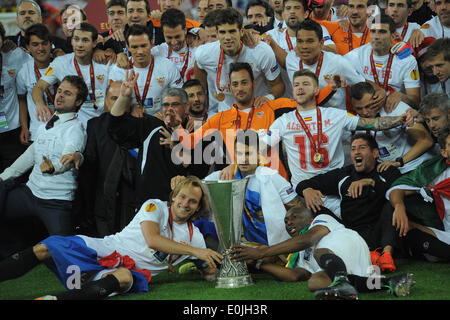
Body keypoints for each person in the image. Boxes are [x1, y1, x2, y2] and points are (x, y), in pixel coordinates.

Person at [0, 176, 223, 300]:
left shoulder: (195, 239)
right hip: (103, 249)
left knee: (125, 276)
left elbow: (209, 268)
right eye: (182, 197)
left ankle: (54, 300)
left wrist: (213, 271)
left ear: (197, 208)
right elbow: (153, 239)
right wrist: (195, 252)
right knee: (46, 247)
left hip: (118, 272)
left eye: (192, 201)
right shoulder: (155, 206)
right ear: (174, 197)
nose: (185, 204)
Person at [258, 69, 408, 216]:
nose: (300, 88)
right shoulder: (282, 122)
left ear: (316, 90)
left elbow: (372, 123)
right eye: (296, 85)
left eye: (305, 84)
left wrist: (402, 119)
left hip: (336, 187)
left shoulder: (335, 115)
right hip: (304, 192)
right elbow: (259, 148)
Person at [230, 206, 415, 300]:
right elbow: (296, 275)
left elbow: (307, 240)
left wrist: (261, 252)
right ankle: (389, 283)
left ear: (309, 218)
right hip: (346, 266)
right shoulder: (299, 255)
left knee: (320, 251)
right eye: (286, 221)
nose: (289, 223)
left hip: (350, 243)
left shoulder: (320, 220)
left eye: (295, 217)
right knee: (315, 282)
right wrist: (259, 264)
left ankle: (341, 281)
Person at [296, 133, 403, 272]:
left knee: (392, 205)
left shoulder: (387, 171)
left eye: (362, 148)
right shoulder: (344, 174)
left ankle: (386, 255)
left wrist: (371, 183)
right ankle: (367, 254)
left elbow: (399, 192)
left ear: (375, 153)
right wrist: (307, 190)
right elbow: (303, 184)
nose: (356, 152)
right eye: (353, 149)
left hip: (378, 232)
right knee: (316, 208)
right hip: (350, 232)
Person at [0, 75, 88, 237]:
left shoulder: (75, 129)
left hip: (56, 202)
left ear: (78, 102)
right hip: (29, 193)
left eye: (68, 93)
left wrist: (54, 167)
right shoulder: (45, 125)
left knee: (64, 252)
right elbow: (29, 157)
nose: (60, 95)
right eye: (59, 91)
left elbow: (69, 156)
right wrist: (3, 177)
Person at [108, 70, 198, 210]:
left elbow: (196, 169)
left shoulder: (196, 131)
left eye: (175, 105)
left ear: (186, 107)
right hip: (148, 205)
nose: (169, 109)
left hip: (182, 208)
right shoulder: (150, 126)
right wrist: (123, 97)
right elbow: (116, 129)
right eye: (166, 105)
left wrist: (175, 146)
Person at [74, 80, 139, 237]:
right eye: (113, 98)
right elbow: (90, 161)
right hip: (102, 196)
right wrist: (78, 157)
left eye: (122, 98)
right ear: (106, 101)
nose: (118, 102)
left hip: (130, 195)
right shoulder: (94, 125)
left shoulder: (139, 125)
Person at [193, 7, 285, 115]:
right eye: (223, 32)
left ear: (241, 31)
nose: (227, 37)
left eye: (232, 31)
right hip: (226, 113)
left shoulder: (261, 51)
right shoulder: (204, 53)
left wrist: (268, 97)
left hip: (257, 111)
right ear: (217, 33)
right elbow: (198, 64)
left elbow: (279, 85)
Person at [269, 19, 368, 108]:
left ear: (321, 44)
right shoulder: (292, 61)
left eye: (309, 41)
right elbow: (307, 98)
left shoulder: (338, 62)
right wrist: (331, 87)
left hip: (334, 121)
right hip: (306, 120)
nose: (304, 46)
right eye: (300, 41)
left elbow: (361, 84)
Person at [386, 127, 450, 262]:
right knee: (395, 212)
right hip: (443, 232)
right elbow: (397, 189)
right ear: (444, 152)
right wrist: (399, 206)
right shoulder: (434, 171)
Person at [32, 22, 111, 128]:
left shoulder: (106, 63)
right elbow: (39, 87)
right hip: (73, 126)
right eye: (76, 39)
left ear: (94, 43)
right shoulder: (61, 63)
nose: (80, 44)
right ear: (72, 41)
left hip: (102, 125)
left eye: (85, 40)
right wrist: (39, 104)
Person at [350, 82, 434, 174]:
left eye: (368, 106)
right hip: (388, 170)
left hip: (415, 165)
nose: (365, 112)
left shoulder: (396, 109)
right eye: (359, 108)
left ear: (376, 98)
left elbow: (426, 141)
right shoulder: (357, 121)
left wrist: (399, 162)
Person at [344, 13, 421, 111]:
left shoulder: (407, 60)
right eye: (373, 31)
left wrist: (401, 96)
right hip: (364, 112)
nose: (376, 36)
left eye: (382, 32)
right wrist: (375, 87)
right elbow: (336, 70)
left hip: (393, 111)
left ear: (393, 36)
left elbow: (416, 101)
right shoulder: (355, 56)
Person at [108, 24, 182, 116]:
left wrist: (165, 113)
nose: (140, 51)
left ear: (151, 43)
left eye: (143, 46)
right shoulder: (118, 70)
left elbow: (180, 98)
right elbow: (110, 106)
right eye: (135, 47)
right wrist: (130, 108)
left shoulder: (168, 66)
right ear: (128, 46)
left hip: (160, 122)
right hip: (128, 123)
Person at [16, 23, 56, 145]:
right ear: (28, 47)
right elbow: (22, 100)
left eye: (44, 43)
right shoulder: (24, 71)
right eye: (35, 44)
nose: (40, 48)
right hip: (37, 132)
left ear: (50, 44)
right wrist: (24, 127)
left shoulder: (61, 65)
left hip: (62, 130)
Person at [0, 22, 31, 173]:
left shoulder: (14, 54)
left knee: (12, 178)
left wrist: (57, 51)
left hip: (12, 131)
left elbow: (38, 63)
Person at [151, 8, 196, 82]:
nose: (174, 42)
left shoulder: (197, 50)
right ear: (163, 32)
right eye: (169, 37)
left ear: (185, 30)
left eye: (177, 36)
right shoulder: (156, 52)